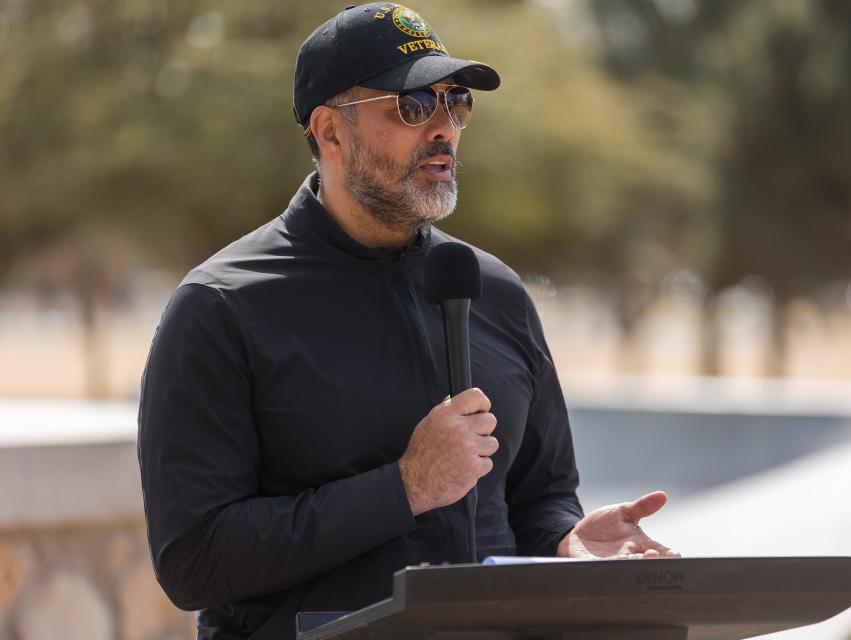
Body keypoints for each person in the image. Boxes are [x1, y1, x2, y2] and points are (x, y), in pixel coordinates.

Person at [137, 4, 678, 639]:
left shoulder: (495, 292)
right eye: (413, 105)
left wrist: (568, 541)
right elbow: (194, 562)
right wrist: (404, 487)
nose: (444, 128)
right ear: (331, 133)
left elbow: (540, 497)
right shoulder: (222, 307)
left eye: (457, 104)